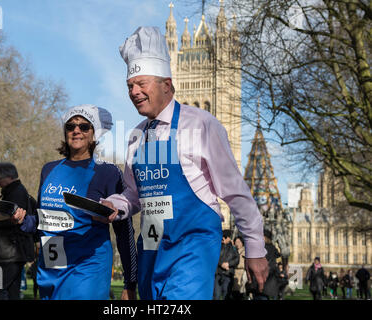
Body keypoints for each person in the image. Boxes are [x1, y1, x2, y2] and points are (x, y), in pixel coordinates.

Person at [101, 26, 268, 300]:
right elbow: (134, 194)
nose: (134, 91)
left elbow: (235, 190)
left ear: (166, 84)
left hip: (192, 245)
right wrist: (114, 205)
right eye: (130, 86)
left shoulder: (202, 124)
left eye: (142, 84)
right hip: (151, 247)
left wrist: (255, 247)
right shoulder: (135, 136)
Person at [14, 104, 138, 300]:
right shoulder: (49, 169)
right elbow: (42, 221)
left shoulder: (107, 172)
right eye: (70, 126)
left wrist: (130, 282)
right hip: (51, 264)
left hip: (87, 266)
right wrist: (22, 221)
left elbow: (124, 231)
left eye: (84, 127)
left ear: (94, 134)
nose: (76, 130)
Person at [0, 162, 35, 300]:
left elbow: (13, 220)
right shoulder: (20, 191)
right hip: (15, 252)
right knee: (12, 292)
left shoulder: (15, 193)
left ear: (8, 177)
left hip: (7, 252)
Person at [213, 230, 239, 300]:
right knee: (217, 295)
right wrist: (221, 264)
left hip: (228, 274)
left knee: (226, 294)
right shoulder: (218, 246)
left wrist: (228, 264)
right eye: (222, 237)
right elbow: (214, 257)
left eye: (225, 237)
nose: (223, 238)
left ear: (229, 238)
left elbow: (237, 260)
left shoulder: (233, 248)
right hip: (218, 273)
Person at [232, 236, 248, 300]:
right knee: (234, 292)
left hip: (242, 273)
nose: (237, 243)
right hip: (234, 273)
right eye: (236, 242)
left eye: (239, 242)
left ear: (242, 243)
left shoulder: (245, 251)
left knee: (241, 292)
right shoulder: (232, 251)